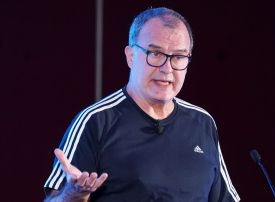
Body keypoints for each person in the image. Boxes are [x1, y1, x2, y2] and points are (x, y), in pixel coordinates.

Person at [44, 7, 240, 202]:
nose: (167, 68)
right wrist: (73, 194)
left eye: (179, 57)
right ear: (130, 56)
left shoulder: (203, 123)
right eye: (155, 53)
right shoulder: (95, 121)